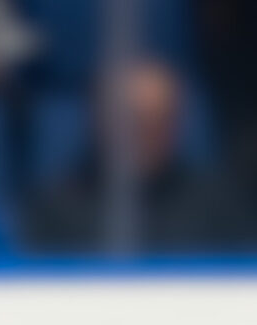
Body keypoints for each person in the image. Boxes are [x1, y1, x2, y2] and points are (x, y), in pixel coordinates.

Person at [25, 59, 234, 255]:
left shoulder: (216, 207)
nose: (147, 134)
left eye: (159, 121)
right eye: (135, 122)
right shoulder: (58, 212)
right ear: (101, 124)